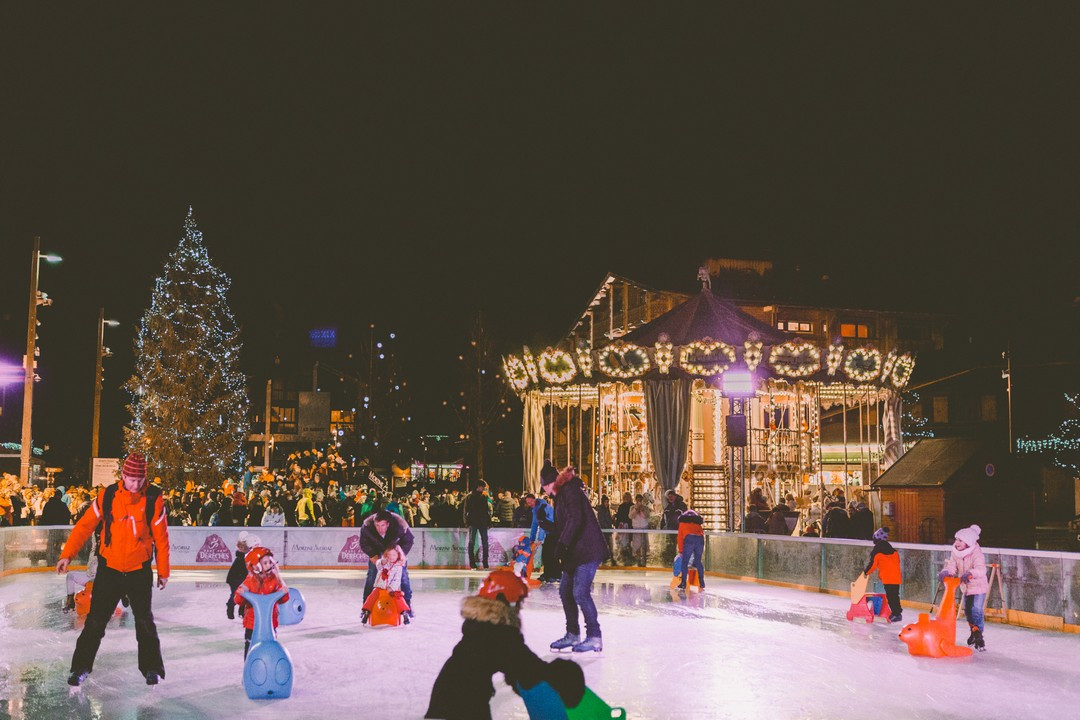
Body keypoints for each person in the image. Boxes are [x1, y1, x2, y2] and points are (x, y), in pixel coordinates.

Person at [56, 452, 169, 687]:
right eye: (131, 479)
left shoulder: (153, 498)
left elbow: (161, 537)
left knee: (144, 621)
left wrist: (164, 570)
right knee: (95, 621)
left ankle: (152, 668)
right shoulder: (108, 496)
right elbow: (84, 526)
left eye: (139, 480)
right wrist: (67, 554)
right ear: (123, 476)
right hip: (110, 569)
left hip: (139, 570)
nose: (135, 485)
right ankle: (80, 668)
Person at [426, 568, 585, 720]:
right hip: (461, 706)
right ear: (507, 603)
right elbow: (530, 669)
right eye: (519, 602)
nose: (520, 609)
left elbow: (515, 670)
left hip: (448, 700)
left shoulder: (482, 625)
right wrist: (566, 674)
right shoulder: (499, 634)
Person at [544, 466, 609, 653]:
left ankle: (595, 637)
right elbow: (565, 525)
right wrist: (546, 524)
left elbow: (576, 519)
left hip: (587, 551)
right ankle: (572, 634)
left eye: (545, 486)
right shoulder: (561, 496)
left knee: (580, 592)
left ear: (550, 484)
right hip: (575, 553)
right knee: (566, 591)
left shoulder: (570, 491)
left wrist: (562, 545)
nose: (545, 491)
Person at [939, 524, 989, 651]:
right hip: (966, 587)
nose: (957, 543)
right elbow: (952, 566)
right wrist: (947, 572)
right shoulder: (955, 552)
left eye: (960, 540)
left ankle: (979, 635)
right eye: (956, 539)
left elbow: (981, 569)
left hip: (979, 586)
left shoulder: (976, 553)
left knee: (976, 610)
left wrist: (971, 573)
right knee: (968, 612)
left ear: (968, 542)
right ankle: (973, 631)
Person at [234, 546, 290, 659]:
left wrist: (283, 592)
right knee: (251, 650)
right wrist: (241, 593)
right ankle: (249, 671)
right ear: (256, 565)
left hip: (270, 623)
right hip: (252, 624)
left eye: (270, 562)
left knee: (270, 649)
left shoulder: (274, 579)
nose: (269, 565)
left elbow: (283, 600)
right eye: (265, 563)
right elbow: (238, 600)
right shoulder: (250, 580)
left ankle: (269, 670)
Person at [360, 509, 415, 615]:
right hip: (377, 550)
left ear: (388, 524)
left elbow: (409, 540)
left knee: (403, 578)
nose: (379, 528)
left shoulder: (399, 526)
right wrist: (373, 556)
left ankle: (407, 608)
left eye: (382, 525)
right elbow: (364, 543)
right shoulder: (367, 527)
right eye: (377, 525)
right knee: (372, 576)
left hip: (395, 551)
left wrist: (400, 555)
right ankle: (366, 608)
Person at [360, 545, 411, 624]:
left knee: (398, 597)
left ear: (398, 555)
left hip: (392, 589)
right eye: (389, 555)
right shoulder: (385, 562)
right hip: (380, 587)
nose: (391, 557)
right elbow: (378, 565)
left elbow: (397, 579)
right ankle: (366, 611)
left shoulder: (399, 566)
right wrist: (381, 561)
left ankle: (404, 613)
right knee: (372, 596)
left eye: (394, 555)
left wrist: (391, 588)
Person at [865, 527, 902, 622]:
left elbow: (872, 565)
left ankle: (896, 614)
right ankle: (897, 613)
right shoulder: (893, 550)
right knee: (894, 595)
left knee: (891, 596)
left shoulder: (877, 551)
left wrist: (866, 572)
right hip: (896, 577)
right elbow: (897, 562)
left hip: (888, 578)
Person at [226, 531, 259, 620]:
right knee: (236, 594)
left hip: (242, 577)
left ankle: (241, 612)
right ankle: (230, 607)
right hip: (235, 579)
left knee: (245, 594)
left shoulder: (247, 555)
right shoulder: (242, 557)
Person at [526, 490, 556, 581]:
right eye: (527, 502)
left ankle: (553, 575)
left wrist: (540, 539)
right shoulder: (535, 510)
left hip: (555, 531)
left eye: (530, 501)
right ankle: (548, 574)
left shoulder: (543, 507)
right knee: (546, 555)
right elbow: (534, 525)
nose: (529, 503)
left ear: (534, 499)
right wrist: (531, 539)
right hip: (549, 532)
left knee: (549, 554)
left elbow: (543, 524)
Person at [464, 481, 493, 569]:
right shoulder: (469, 497)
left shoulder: (484, 497)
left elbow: (486, 510)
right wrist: (466, 522)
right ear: (477, 487)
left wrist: (488, 521)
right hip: (473, 522)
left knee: (485, 542)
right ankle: (472, 563)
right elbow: (465, 510)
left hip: (482, 522)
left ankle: (485, 562)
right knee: (472, 542)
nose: (482, 489)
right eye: (481, 487)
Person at [676, 508, 706, 590]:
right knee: (698, 561)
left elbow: (680, 538)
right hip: (700, 539)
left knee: (685, 562)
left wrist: (681, 550)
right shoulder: (698, 524)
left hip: (689, 539)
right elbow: (702, 535)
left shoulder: (682, 523)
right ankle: (702, 582)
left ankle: (683, 583)